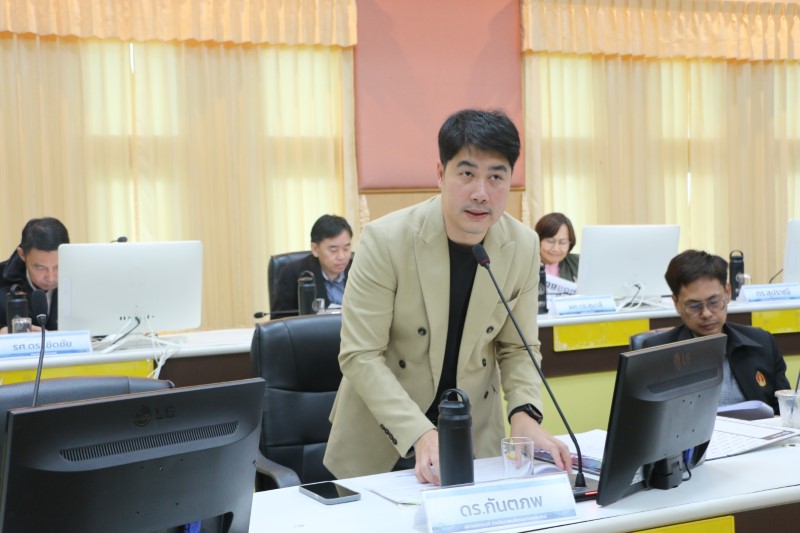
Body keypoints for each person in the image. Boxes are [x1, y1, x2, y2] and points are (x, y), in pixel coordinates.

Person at [323, 109, 572, 484]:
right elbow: (360, 355)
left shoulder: (522, 246)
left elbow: (518, 347)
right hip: (384, 438)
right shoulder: (386, 240)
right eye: (467, 174)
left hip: (473, 438)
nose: (481, 193)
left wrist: (524, 414)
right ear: (440, 173)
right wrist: (420, 432)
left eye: (496, 177)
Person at [642, 250, 790, 413]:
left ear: (728, 293)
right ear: (676, 303)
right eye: (694, 306)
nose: (706, 314)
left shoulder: (762, 342)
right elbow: (644, 418)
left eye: (714, 302)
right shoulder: (656, 353)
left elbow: (785, 410)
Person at [271, 214, 353, 319]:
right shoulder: (294, 274)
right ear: (315, 249)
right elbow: (279, 321)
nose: (341, 256)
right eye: (333, 250)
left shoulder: (359, 271)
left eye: (346, 249)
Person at [0, 217, 69, 333]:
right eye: (40, 268)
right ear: (22, 254)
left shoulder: (83, 278)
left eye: (58, 266)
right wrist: (2, 332)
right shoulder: (2, 280)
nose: (51, 278)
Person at [535, 212, 579, 282]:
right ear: (538, 240)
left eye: (562, 242)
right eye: (550, 241)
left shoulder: (579, 263)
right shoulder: (524, 264)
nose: (556, 249)